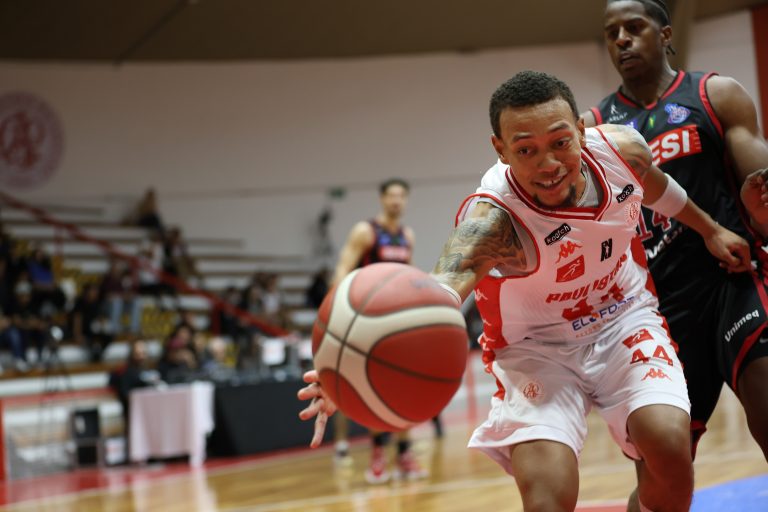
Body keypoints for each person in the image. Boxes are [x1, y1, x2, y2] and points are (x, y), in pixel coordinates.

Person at [299, 70, 753, 511]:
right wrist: (352, 366)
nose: (548, 164)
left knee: (671, 451)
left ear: (581, 130)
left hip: (623, 317)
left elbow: (655, 187)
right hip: (536, 350)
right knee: (547, 499)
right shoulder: (492, 221)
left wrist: (710, 229)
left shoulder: (622, 151)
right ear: (500, 150)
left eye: (560, 143)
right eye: (526, 150)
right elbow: (438, 295)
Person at [583, 1, 768, 508]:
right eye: (611, 33)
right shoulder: (594, 129)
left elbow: (762, 197)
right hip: (659, 313)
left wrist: (758, 216)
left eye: (634, 27)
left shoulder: (715, 94)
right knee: (662, 481)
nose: (622, 39)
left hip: (733, 282)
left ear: (665, 34)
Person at [329, 177, 427, 483]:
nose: (396, 201)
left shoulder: (407, 235)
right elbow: (342, 269)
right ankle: (378, 454)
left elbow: (409, 275)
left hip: (399, 321)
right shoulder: (366, 231)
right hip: (369, 320)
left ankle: (405, 454)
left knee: (405, 387)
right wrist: (341, 308)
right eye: (391, 196)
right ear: (382, 199)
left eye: (401, 196)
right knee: (376, 387)